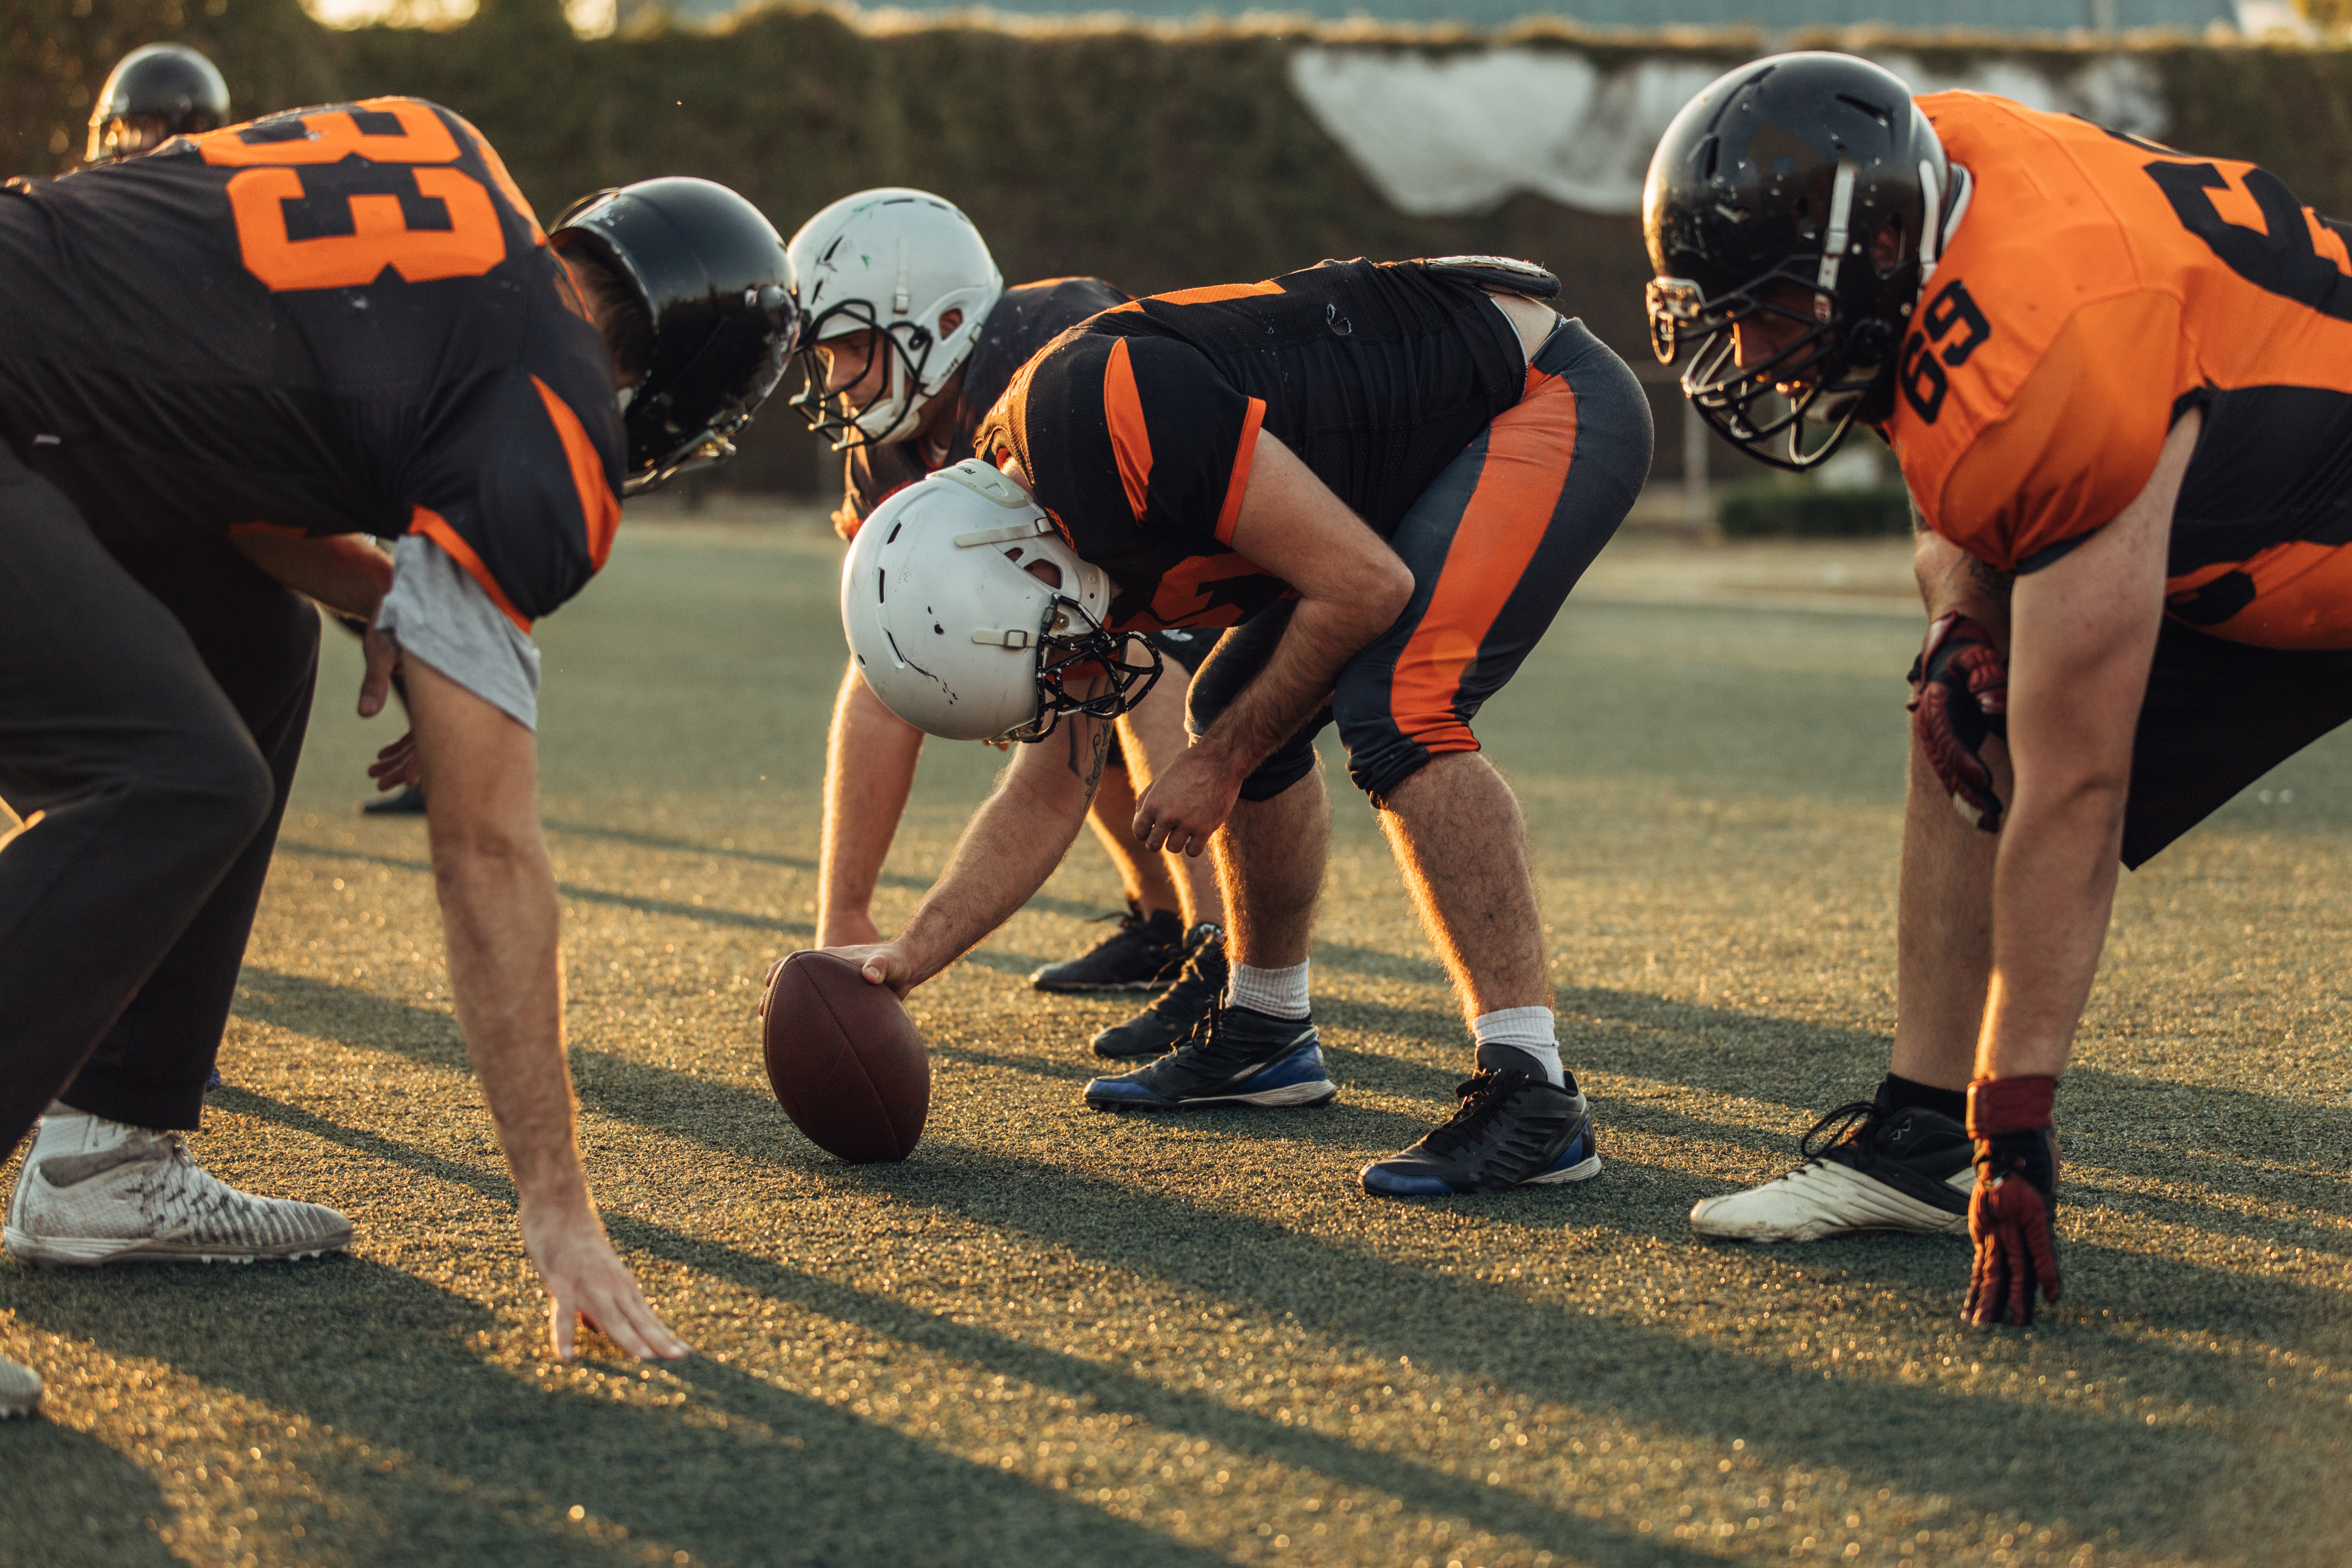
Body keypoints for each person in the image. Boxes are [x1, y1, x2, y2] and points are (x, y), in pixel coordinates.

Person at [0, 97, 799, 1416]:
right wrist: (556, 1207)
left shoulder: (439, 150)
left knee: (252, 646)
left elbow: (196, 426)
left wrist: (375, 593)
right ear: (676, 388)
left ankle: (107, 1155)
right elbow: (484, 848)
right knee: (175, 779)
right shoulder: (544, 414)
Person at [1646, 52, 2352, 1326]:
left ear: (1865, 255)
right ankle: (1913, 1140)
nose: (1746, 353)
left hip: (2305, 493)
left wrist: (2016, 1121)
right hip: (2243, 468)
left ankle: (1960, 1127)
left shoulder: (2052, 356)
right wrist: (1954, 629)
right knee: (1968, 722)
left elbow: (2079, 790)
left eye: (1763, 311)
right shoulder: (1931, 175)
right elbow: (1944, 470)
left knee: (2041, 760)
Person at [820, 256, 1652, 1195]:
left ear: (1017, 574)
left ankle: (1532, 1090)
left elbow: (1364, 586)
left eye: (1035, 658)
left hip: (1529, 398)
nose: (1055, 672)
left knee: (1396, 708)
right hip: (1400, 469)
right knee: (1228, 704)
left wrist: (1218, 762)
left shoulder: (1093, 416)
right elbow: (1049, 787)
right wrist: (908, 957)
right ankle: (1266, 1029)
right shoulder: (1034, 543)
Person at [786, 188, 1225, 1059]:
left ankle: (1227, 958)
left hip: (1213, 571)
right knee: (1019, 680)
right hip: (1097, 608)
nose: (834, 379)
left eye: (850, 348)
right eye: (825, 354)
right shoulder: (888, 440)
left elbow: (1157, 555)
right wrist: (844, 915)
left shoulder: (1056, 360)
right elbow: (882, 657)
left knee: (1137, 674)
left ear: (942, 324)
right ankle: (1164, 920)